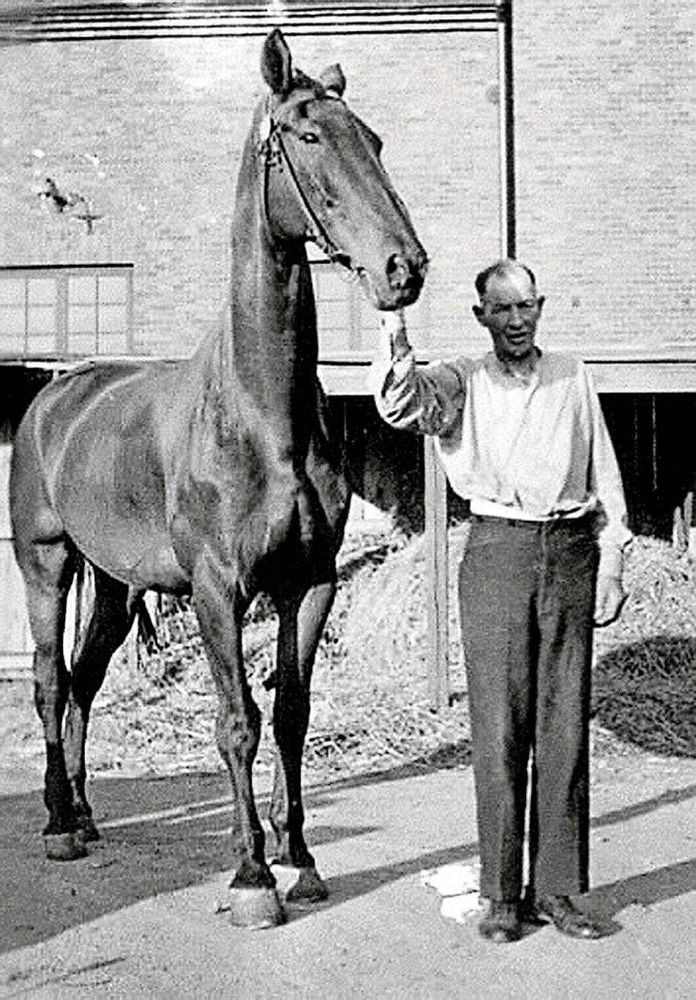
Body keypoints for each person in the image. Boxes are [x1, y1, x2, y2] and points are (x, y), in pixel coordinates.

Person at [371, 258, 631, 943]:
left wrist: (613, 561)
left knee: (564, 726)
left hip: (571, 551)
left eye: (527, 307)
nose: (516, 321)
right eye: (502, 310)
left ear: (539, 308)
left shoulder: (574, 374)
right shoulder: (460, 380)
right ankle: (501, 896)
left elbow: (604, 470)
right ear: (481, 315)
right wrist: (394, 330)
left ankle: (560, 892)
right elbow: (402, 404)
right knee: (499, 728)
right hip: (497, 554)